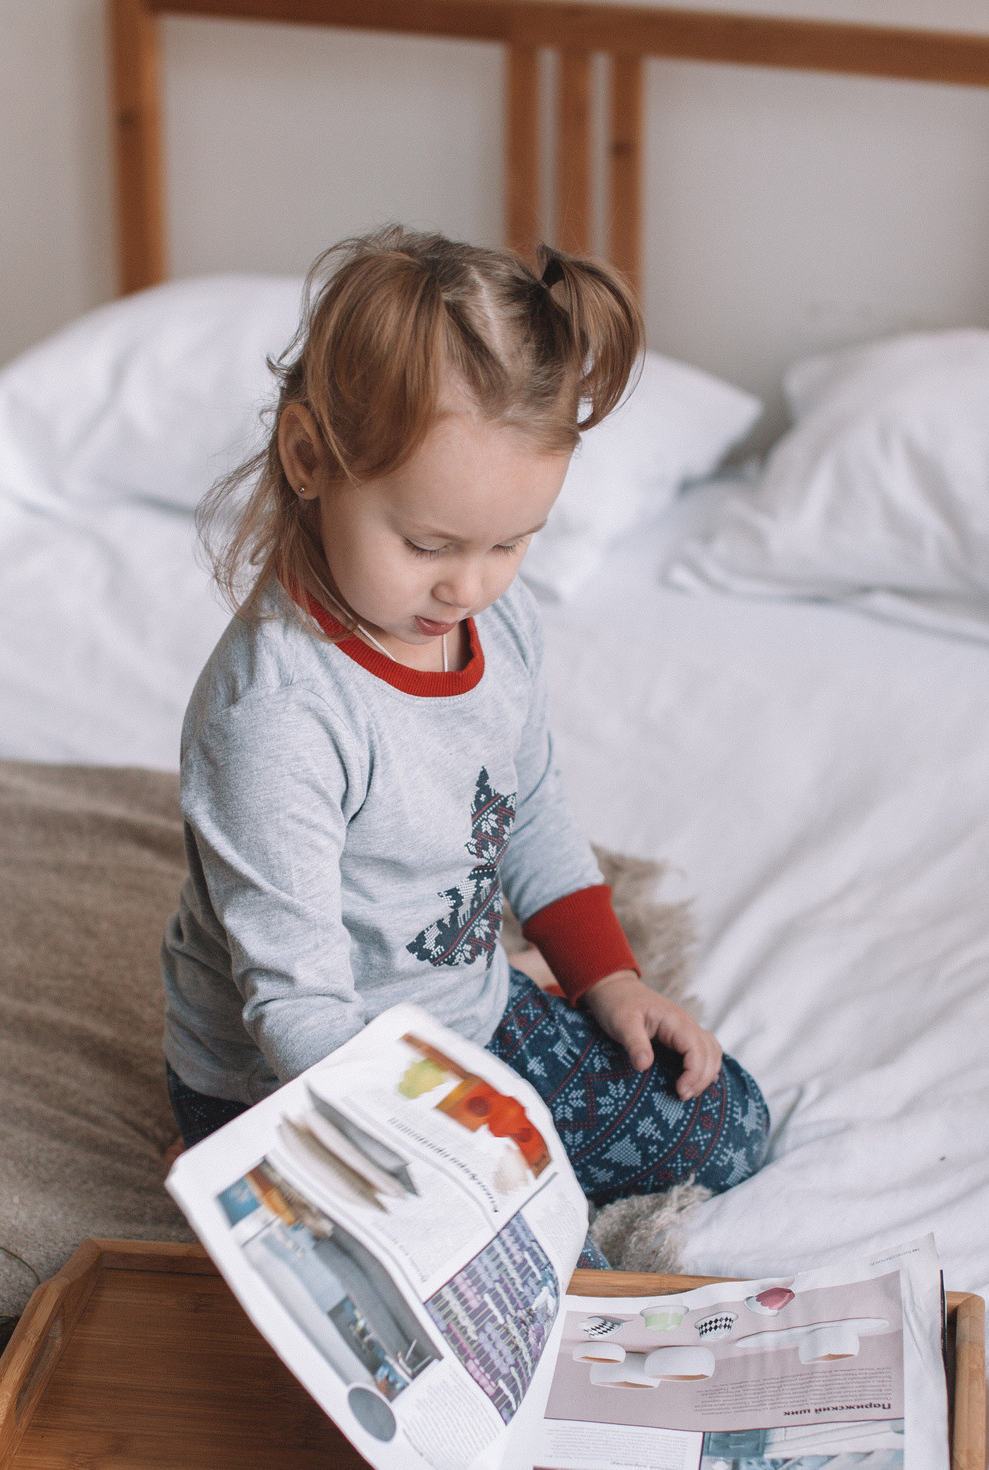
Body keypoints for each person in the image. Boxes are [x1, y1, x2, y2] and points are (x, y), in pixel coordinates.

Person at [159, 226, 770, 1223]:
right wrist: (453, 1150)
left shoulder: (492, 620)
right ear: (310, 458)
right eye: (428, 542)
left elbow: (524, 809)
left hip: (460, 1011)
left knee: (732, 1125)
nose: (467, 584)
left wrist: (607, 981)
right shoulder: (277, 716)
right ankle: (227, 1158)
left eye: (509, 542)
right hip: (303, 1076)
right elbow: (299, 1009)